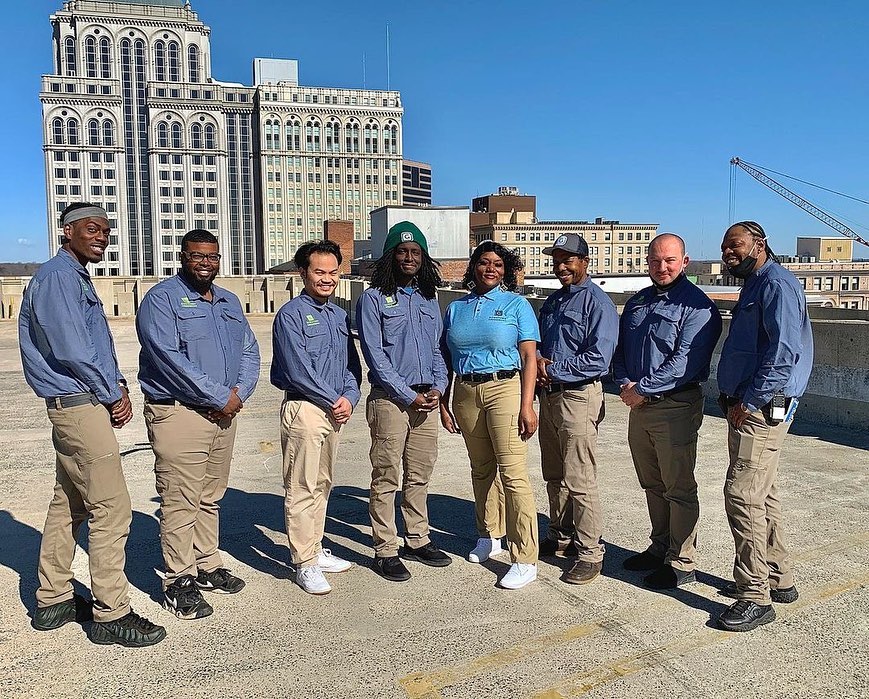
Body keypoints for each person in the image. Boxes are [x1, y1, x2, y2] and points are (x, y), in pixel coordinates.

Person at [18, 202, 166, 647]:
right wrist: (112, 392)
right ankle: (111, 612)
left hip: (80, 402)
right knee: (112, 507)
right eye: (91, 228)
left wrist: (115, 383)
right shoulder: (58, 277)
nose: (101, 236)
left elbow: (93, 346)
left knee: (69, 503)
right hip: (79, 406)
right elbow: (73, 349)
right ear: (67, 232)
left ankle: (53, 599)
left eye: (105, 230)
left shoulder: (72, 276)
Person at [136, 229, 260, 619]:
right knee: (180, 500)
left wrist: (238, 393)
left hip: (224, 414)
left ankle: (207, 563)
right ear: (183, 257)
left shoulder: (228, 301)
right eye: (197, 255)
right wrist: (218, 396)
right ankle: (178, 582)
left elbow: (249, 350)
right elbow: (167, 359)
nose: (205, 263)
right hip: (181, 414)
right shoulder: (162, 299)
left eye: (212, 256)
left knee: (210, 495)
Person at [716, 221, 813, 632]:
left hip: (760, 407)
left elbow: (783, 353)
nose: (728, 252)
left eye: (735, 244)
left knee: (741, 495)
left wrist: (749, 401)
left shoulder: (776, 284)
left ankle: (755, 593)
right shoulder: (755, 283)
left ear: (760, 244)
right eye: (724, 247)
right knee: (762, 492)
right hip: (749, 404)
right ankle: (778, 576)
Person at [613, 233, 722, 590]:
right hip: (639, 406)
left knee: (678, 487)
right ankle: (659, 547)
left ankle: (682, 561)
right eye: (656, 260)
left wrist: (641, 389)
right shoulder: (638, 303)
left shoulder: (699, 308)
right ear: (647, 262)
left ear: (684, 262)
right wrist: (626, 383)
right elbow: (621, 351)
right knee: (652, 483)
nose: (662, 267)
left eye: (670, 260)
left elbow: (684, 363)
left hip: (675, 406)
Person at [440, 241, 540, 590]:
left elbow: (529, 358)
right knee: (481, 469)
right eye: (484, 262)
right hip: (466, 391)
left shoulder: (516, 305)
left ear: (505, 270)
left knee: (513, 474)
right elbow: (446, 358)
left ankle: (524, 557)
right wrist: (445, 401)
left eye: (498, 264)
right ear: (474, 267)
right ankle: (489, 535)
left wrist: (527, 405)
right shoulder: (456, 308)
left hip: (505, 389)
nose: (490, 269)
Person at [357, 222, 451, 582]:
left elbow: (437, 350)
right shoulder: (373, 299)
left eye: (415, 252)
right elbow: (375, 355)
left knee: (419, 474)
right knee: (386, 475)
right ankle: (385, 548)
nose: (409, 257)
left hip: (426, 400)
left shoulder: (429, 299)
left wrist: (439, 387)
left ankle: (417, 538)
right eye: (402, 251)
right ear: (390, 256)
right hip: (391, 401)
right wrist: (408, 394)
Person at [271, 240, 362, 595]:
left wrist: (350, 398)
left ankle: (315, 547)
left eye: (333, 272)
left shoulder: (338, 316)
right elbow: (297, 371)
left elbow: (351, 366)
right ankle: (304, 562)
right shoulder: (290, 315)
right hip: (305, 409)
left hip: (334, 411)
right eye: (319, 272)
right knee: (301, 487)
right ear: (303, 273)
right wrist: (333, 399)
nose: (327, 279)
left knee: (323, 483)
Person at [537, 233, 619, 585]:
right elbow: (541, 344)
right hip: (550, 396)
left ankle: (590, 552)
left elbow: (599, 359)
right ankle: (561, 534)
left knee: (579, 478)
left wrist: (553, 368)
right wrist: (539, 361)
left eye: (568, 260)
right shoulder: (554, 301)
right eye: (556, 260)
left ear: (585, 262)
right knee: (554, 474)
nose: (561, 267)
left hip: (578, 397)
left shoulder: (597, 303)